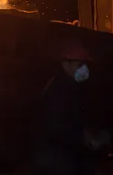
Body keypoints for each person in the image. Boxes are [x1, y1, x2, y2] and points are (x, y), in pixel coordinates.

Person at [32, 38, 110, 175]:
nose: (84, 69)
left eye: (85, 64)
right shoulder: (58, 90)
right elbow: (55, 128)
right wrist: (84, 138)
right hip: (56, 160)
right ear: (65, 63)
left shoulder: (71, 86)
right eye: (79, 65)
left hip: (62, 155)